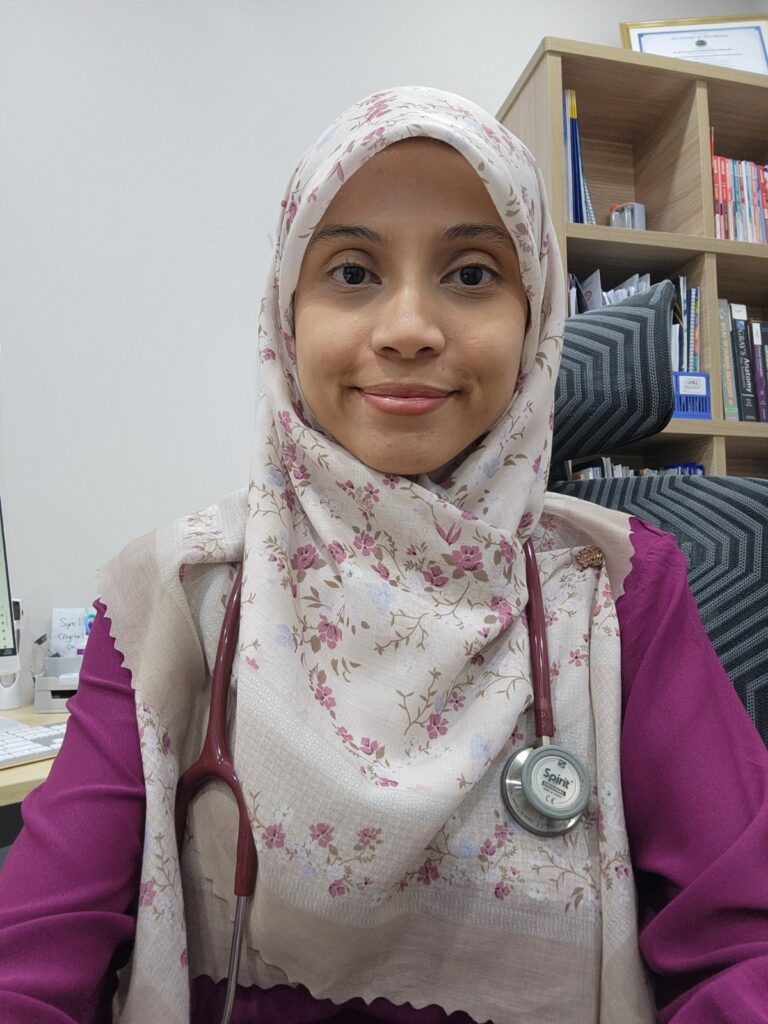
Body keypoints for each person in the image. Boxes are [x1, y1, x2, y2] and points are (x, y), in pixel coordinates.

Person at [0, 86, 767, 1024]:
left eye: (473, 274)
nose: (408, 327)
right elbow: (33, 957)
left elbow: (745, 947)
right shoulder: (177, 597)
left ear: (536, 318)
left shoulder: (617, 591)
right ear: (287, 317)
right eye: (354, 272)